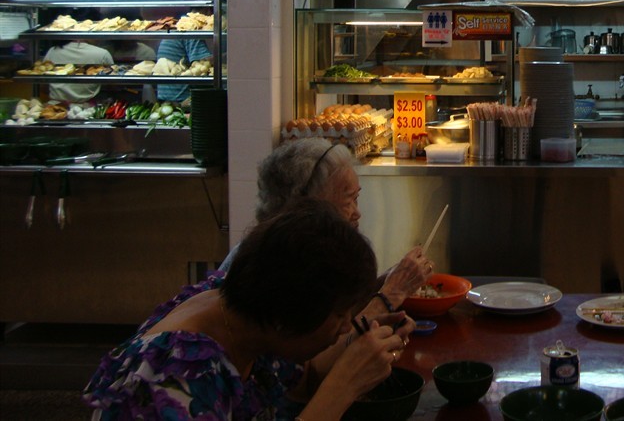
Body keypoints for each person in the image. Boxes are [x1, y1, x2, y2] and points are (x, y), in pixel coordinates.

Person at [84, 199, 405, 419]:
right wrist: (344, 385)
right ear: (286, 318)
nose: (347, 325)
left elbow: (303, 381)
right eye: (339, 316)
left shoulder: (249, 311)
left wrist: (358, 350)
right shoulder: (178, 379)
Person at [221, 137, 434, 323]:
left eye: (356, 198)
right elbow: (323, 354)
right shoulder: (278, 264)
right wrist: (391, 294)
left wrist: (382, 284)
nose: (357, 213)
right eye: (348, 200)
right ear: (308, 206)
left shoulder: (305, 250)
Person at [44, 40, 113, 103]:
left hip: (55, 104)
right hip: (88, 107)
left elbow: (44, 85)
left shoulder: (52, 51)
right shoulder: (102, 54)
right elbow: (112, 85)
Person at [155, 36, 212, 103]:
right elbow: (203, 66)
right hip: (184, 101)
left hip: (165, 100)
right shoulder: (191, 35)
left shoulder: (170, 35)